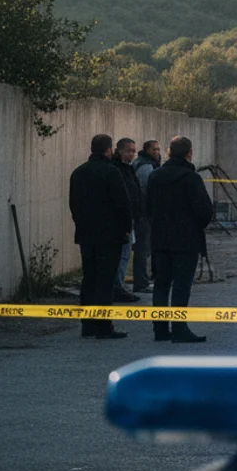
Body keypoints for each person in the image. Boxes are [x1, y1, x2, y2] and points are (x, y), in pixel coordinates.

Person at [146, 136, 214, 344]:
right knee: (182, 286)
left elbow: (147, 207)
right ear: (188, 153)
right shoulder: (190, 178)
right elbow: (204, 211)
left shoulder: (155, 176)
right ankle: (179, 329)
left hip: (160, 239)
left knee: (161, 284)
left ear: (168, 152)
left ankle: (160, 329)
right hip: (186, 240)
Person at [69, 134, 133, 340]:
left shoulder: (78, 173)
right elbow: (122, 204)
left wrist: (81, 224)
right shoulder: (111, 172)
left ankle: (87, 325)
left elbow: (74, 205)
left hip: (87, 235)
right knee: (105, 281)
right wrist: (125, 229)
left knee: (89, 279)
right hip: (110, 236)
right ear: (108, 150)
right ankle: (104, 326)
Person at [111, 138, 143, 303]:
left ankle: (118, 286)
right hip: (121, 221)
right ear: (120, 151)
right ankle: (117, 288)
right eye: (129, 151)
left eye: (133, 151)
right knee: (121, 256)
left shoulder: (128, 169)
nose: (131, 154)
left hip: (130, 219)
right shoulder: (117, 169)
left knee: (125, 255)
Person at [131, 139, 161, 293]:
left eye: (158, 149)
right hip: (144, 214)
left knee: (143, 249)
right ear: (147, 150)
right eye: (154, 150)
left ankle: (142, 281)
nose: (157, 152)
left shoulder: (140, 163)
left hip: (142, 213)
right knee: (143, 249)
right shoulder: (146, 167)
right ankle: (141, 283)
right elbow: (147, 192)